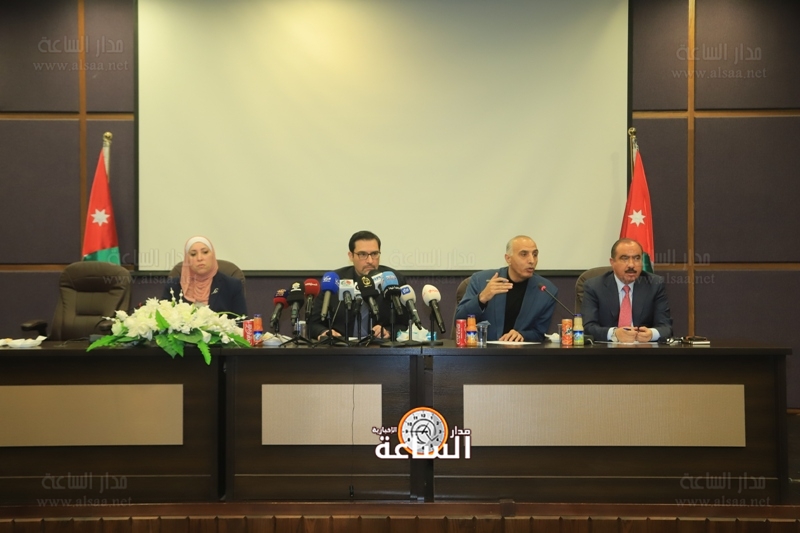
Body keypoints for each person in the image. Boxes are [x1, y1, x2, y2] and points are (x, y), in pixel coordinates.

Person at [308, 230, 408, 340]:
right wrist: (324, 332)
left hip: (379, 347)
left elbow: (406, 323)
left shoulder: (393, 280)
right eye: (363, 254)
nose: (370, 261)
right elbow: (312, 323)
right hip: (341, 346)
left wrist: (389, 331)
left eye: (374, 254)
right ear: (351, 256)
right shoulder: (334, 280)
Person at [455, 235, 556, 342]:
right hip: (484, 350)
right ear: (508, 259)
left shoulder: (546, 291)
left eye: (535, 254)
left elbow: (540, 333)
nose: (532, 260)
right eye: (524, 254)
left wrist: (523, 335)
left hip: (521, 351)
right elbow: (459, 321)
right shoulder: (480, 280)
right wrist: (482, 298)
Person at [581, 238, 672, 342]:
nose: (631, 265)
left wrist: (651, 334)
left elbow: (666, 327)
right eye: (625, 259)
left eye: (637, 258)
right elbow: (587, 327)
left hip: (643, 349)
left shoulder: (655, 284)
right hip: (607, 350)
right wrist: (614, 334)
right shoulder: (594, 287)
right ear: (612, 262)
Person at [162, 236, 247, 317]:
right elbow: (162, 319)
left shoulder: (232, 286)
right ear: (187, 259)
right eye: (193, 254)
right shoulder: (173, 286)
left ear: (212, 255)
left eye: (205, 252)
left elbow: (241, 322)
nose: (199, 258)